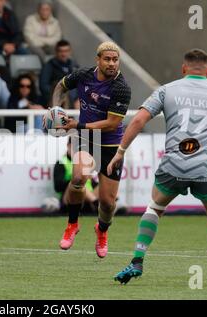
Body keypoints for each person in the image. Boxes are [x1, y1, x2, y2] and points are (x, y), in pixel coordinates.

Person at [107, 49, 207, 286]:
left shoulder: (167, 90)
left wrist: (120, 152)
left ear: (183, 69)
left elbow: (139, 120)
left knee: (154, 208)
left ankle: (137, 261)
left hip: (174, 165)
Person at [52, 41, 131, 258]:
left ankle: (102, 230)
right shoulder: (84, 75)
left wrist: (76, 125)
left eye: (115, 60)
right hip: (86, 139)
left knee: (107, 203)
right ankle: (72, 224)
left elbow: (112, 123)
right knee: (79, 177)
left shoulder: (121, 87)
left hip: (111, 145)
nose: (112, 63)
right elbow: (60, 86)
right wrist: (56, 110)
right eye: (107, 59)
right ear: (98, 60)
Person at [54, 137, 99, 213]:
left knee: (107, 184)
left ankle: (108, 207)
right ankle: (96, 203)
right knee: (77, 181)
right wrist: (74, 178)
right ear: (68, 146)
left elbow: (92, 184)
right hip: (69, 197)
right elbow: (58, 187)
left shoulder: (86, 162)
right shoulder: (62, 162)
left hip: (88, 196)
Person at [40, 40, 79, 107]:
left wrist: (78, 98)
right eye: (61, 51)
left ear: (70, 51)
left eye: (66, 51)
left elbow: (79, 84)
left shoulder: (74, 66)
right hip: (55, 101)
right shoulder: (49, 65)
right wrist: (58, 94)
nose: (63, 54)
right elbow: (44, 86)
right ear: (56, 52)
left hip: (73, 102)